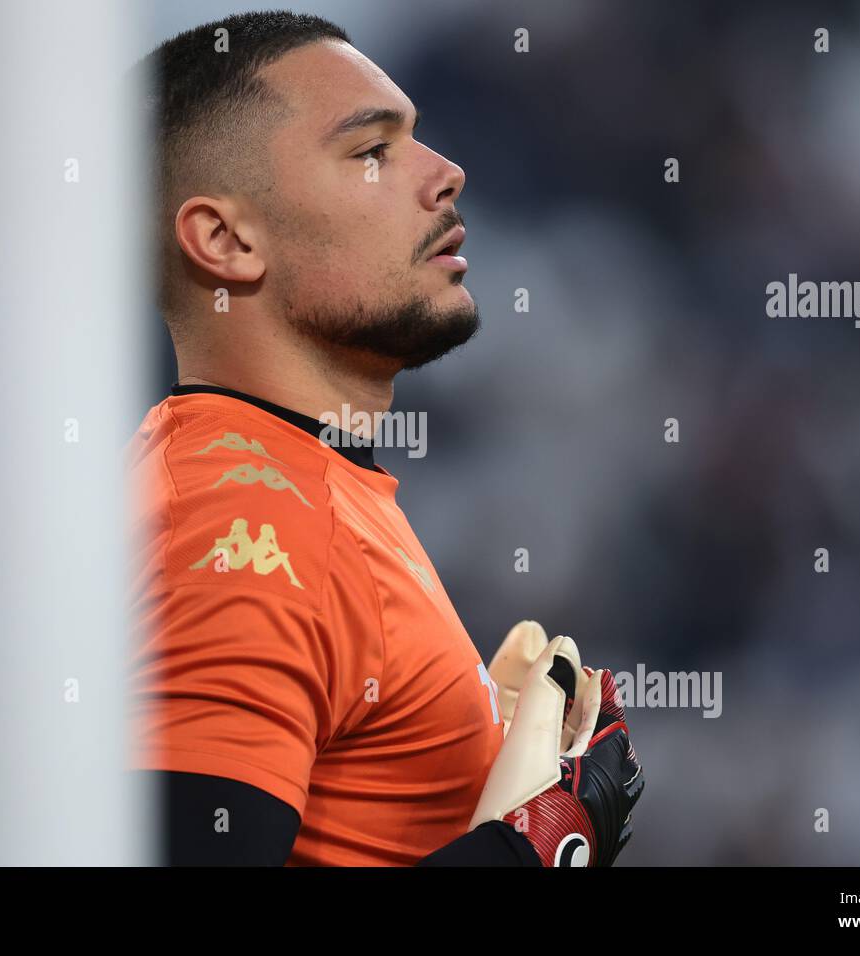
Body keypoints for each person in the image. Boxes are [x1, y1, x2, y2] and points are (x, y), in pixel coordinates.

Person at [127, 10, 641, 866]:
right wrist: (530, 854)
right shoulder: (247, 526)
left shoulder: (277, 484)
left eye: (417, 141)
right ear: (225, 241)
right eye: (372, 152)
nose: (447, 175)